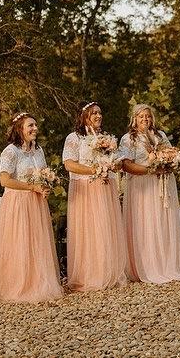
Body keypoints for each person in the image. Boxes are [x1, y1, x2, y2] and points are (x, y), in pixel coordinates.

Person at [0, 113, 63, 303]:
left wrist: (45, 187)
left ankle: (38, 282)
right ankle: (18, 285)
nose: (35, 128)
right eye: (30, 125)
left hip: (36, 202)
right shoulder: (10, 152)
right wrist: (31, 187)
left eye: (35, 125)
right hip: (18, 203)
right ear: (19, 129)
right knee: (20, 242)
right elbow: (5, 180)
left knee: (37, 241)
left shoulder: (38, 150)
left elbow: (42, 175)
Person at [120, 104, 180, 284]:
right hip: (142, 186)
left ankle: (167, 265)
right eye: (141, 116)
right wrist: (150, 168)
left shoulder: (160, 135)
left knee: (163, 222)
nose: (145, 119)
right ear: (134, 119)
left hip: (163, 183)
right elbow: (126, 165)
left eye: (148, 116)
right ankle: (147, 266)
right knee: (146, 223)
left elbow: (171, 153)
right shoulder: (128, 139)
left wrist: (170, 161)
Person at [63, 101, 127, 291]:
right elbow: (69, 164)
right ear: (84, 117)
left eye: (99, 112)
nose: (98, 116)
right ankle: (89, 274)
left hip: (106, 187)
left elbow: (118, 162)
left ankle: (108, 271)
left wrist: (114, 165)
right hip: (85, 187)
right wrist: (94, 170)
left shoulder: (106, 137)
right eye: (94, 113)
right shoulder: (74, 138)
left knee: (106, 227)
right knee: (88, 229)